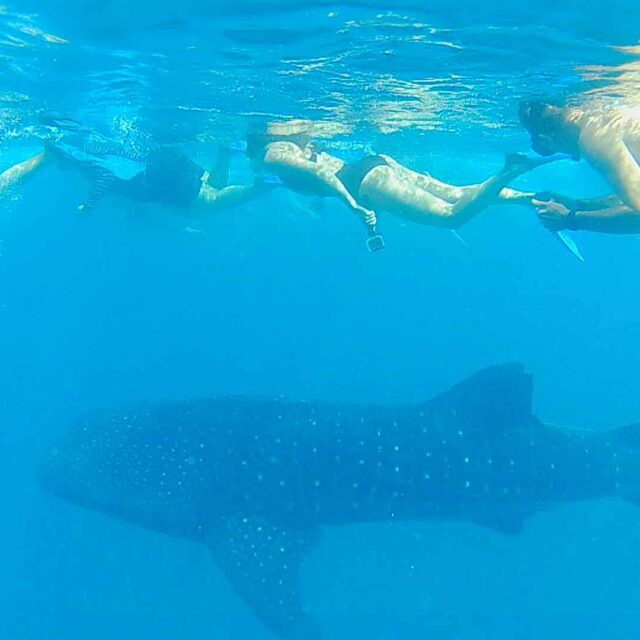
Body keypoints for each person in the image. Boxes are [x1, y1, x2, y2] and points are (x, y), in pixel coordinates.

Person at [247, 120, 545, 234]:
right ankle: (529, 199)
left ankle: (511, 171)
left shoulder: (270, 155)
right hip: (373, 168)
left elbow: (319, 171)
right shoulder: (288, 146)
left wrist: (355, 207)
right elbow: (327, 166)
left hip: (366, 182)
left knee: (449, 216)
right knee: (455, 194)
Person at [520, 101, 640, 233]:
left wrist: (570, 219)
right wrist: (581, 205)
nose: (574, 157)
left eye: (545, 149)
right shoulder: (606, 118)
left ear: (545, 140)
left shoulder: (595, 139)